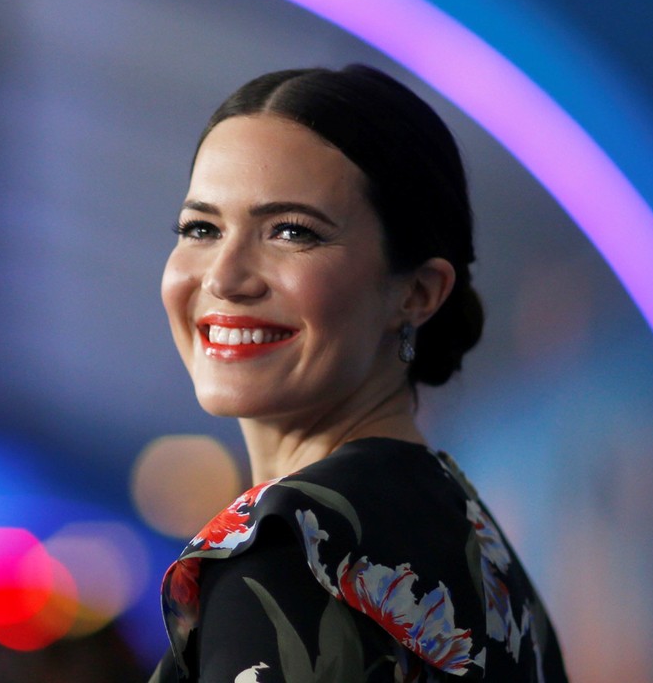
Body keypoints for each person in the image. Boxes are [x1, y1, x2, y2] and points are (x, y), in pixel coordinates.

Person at [150, 65, 568, 682]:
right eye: (201, 228)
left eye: (292, 232)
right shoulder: (477, 547)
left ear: (418, 292)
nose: (224, 277)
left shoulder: (286, 558)